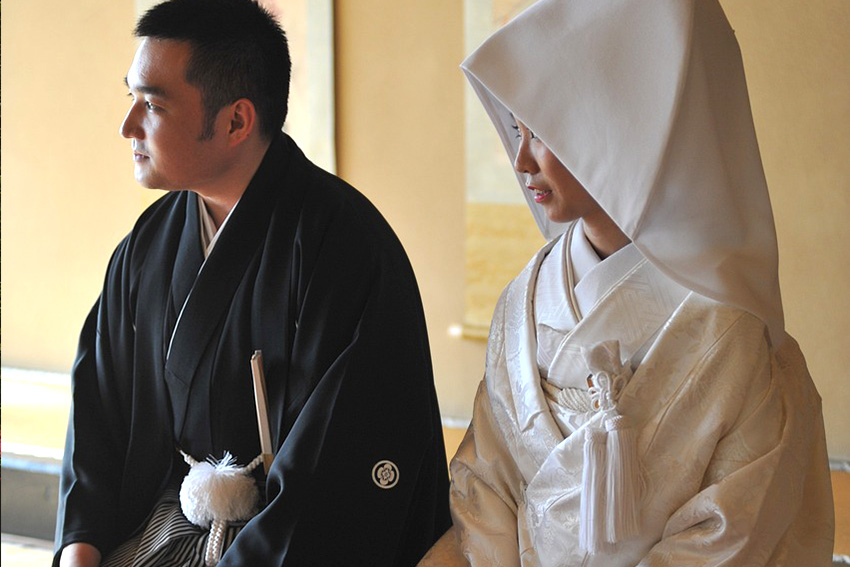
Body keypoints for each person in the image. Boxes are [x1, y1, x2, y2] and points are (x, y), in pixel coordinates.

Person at [420, 0, 835, 565]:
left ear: (616, 132)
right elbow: (485, 484)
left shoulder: (730, 328)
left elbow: (728, 531)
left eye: (542, 133)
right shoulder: (525, 297)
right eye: (518, 128)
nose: (521, 160)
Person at [54, 0, 451, 565]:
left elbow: (337, 476)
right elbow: (99, 415)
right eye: (130, 98)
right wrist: (81, 545)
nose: (128, 127)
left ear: (236, 121)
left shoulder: (344, 249)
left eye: (153, 104)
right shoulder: (149, 244)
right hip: (167, 530)